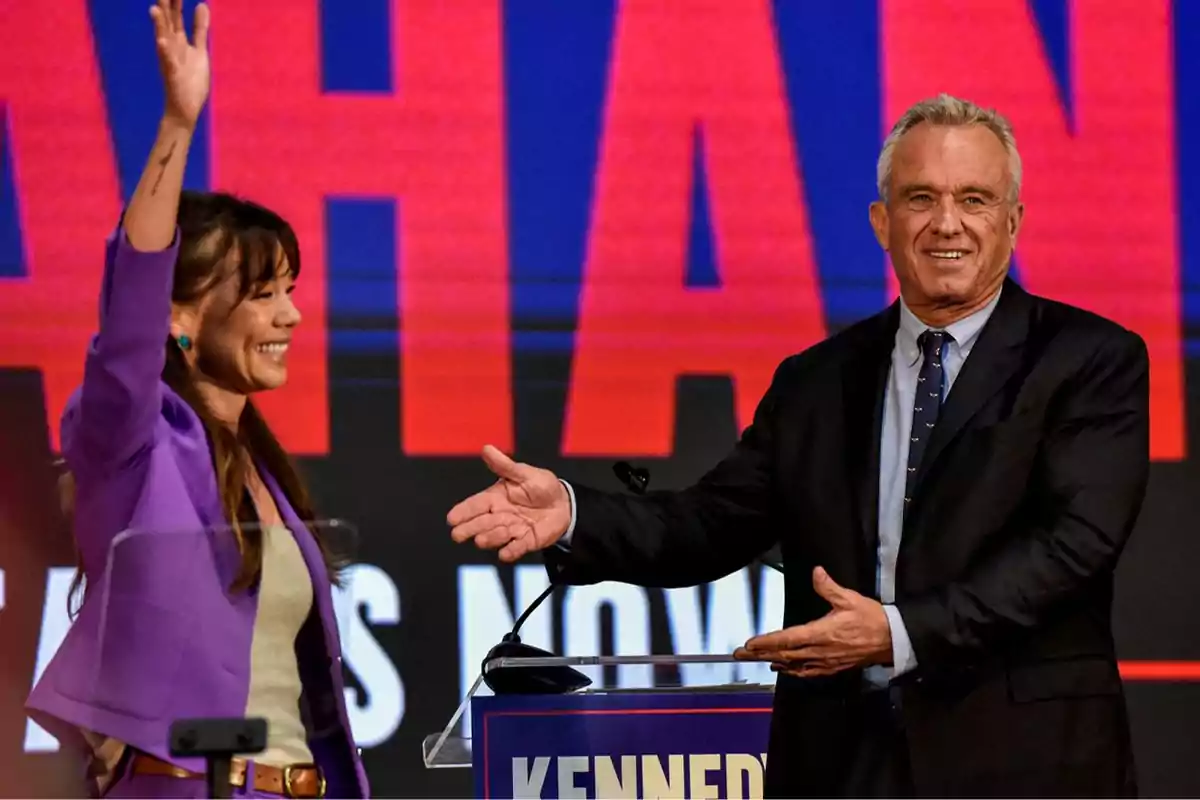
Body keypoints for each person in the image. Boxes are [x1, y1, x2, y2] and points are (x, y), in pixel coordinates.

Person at [447, 93, 1148, 797]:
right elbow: (709, 525)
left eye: (974, 199)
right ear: (882, 221)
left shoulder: (1088, 361)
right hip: (842, 762)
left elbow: (1071, 547)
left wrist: (900, 633)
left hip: (1026, 763)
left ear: (1013, 221)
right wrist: (574, 514)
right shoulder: (816, 381)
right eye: (920, 198)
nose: (946, 224)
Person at [24, 2, 368, 797]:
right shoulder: (131, 441)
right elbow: (130, 302)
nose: (291, 314)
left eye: (291, 289)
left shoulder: (262, 471)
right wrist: (179, 121)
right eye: (261, 293)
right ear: (179, 320)